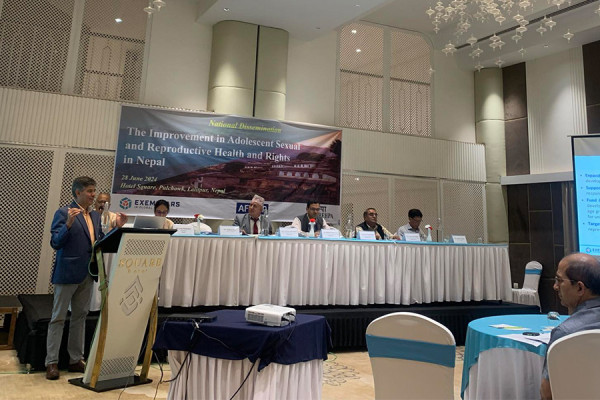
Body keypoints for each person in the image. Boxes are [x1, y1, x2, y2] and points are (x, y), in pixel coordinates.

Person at [46, 177, 125, 380]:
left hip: (88, 273)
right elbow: (55, 243)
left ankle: (75, 359)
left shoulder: (96, 216)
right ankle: (51, 362)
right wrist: (68, 225)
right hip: (67, 273)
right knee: (58, 318)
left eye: (94, 191)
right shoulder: (63, 213)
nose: (93, 195)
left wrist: (118, 228)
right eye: (90, 191)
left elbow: (100, 243)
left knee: (80, 317)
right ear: (78, 192)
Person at [540, 253, 600, 400]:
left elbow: (548, 394)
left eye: (559, 280)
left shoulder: (566, 333)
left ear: (579, 288)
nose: (555, 286)